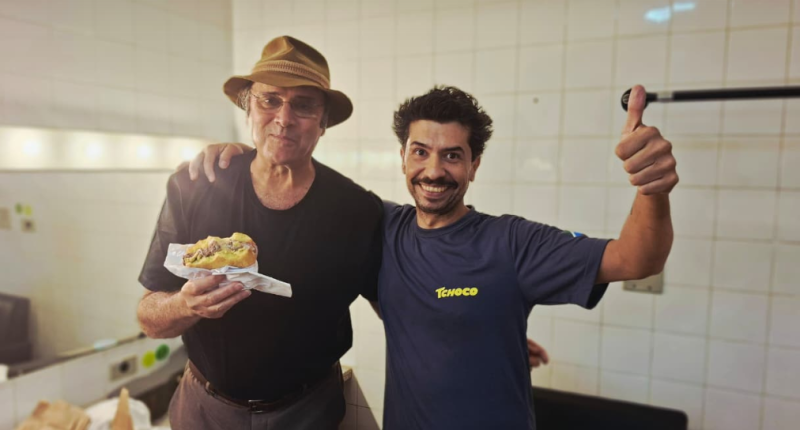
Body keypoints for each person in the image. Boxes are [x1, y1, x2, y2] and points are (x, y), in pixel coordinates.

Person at [194, 84, 678, 429]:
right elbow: (304, 189)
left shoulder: (512, 242)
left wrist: (651, 189)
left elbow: (636, 259)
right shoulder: (377, 223)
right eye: (420, 152)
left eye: (452, 155)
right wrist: (250, 156)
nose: (433, 170)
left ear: (474, 165)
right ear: (403, 157)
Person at [136, 36, 384, 430]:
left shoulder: (357, 211)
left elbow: (400, 311)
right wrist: (185, 305)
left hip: (308, 411)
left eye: (303, 105)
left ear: (323, 122)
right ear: (248, 107)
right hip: (205, 410)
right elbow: (149, 318)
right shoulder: (196, 185)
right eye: (270, 100)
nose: (284, 119)